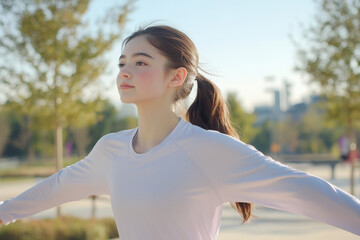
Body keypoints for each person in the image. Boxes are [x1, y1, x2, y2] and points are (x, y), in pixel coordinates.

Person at [0, 23, 359, 239]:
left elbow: (308, 191)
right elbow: (58, 186)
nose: (124, 72)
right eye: (122, 62)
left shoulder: (208, 150)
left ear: (176, 76)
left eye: (140, 63)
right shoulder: (110, 150)